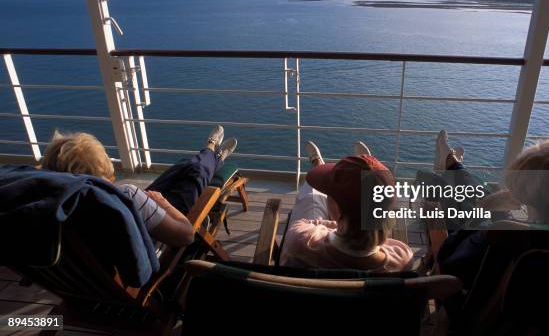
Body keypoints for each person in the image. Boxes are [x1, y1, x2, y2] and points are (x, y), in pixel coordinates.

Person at [434, 130, 549, 288]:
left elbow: (447, 260)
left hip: (478, 305)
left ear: (521, 191)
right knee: (479, 193)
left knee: (467, 199)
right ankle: (453, 164)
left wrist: (484, 207)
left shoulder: (502, 237)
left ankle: (453, 164)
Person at [42, 126, 237, 248]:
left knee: (184, 166)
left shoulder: (51, 210)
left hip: (128, 224)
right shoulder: (127, 194)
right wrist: (163, 203)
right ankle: (213, 153)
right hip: (158, 233)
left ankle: (210, 155)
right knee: (196, 173)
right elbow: (185, 236)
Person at [280, 140, 413, 272]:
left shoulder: (300, 240)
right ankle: (370, 182)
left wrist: (339, 224)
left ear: (337, 212)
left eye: (330, 195)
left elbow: (304, 223)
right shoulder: (403, 258)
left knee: (312, 194)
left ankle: (318, 164)